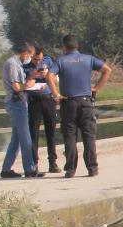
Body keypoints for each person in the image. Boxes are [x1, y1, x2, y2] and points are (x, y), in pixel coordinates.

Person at [46, 34, 111, 177]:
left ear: (64, 47)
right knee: (89, 136)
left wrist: (56, 94)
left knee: (70, 136)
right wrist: (97, 88)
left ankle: (70, 169)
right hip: (86, 102)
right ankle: (92, 168)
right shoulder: (88, 59)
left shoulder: (61, 61)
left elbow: (49, 76)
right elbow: (107, 70)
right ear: (77, 46)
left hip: (68, 103)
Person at [0, 41, 43, 179]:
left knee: (16, 138)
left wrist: (32, 77)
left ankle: (6, 169)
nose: (29, 58)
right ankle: (30, 169)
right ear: (25, 52)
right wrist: (28, 85)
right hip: (17, 103)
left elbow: (21, 83)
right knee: (26, 138)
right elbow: (16, 87)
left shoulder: (17, 64)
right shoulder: (12, 64)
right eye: (30, 55)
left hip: (19, 102)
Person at [23, 46, 59, 173]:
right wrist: (31, 75)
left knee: (51, 132)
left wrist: (48, 75)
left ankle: (53, 162)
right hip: (34, 101)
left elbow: (56, 78)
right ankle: (34, 163)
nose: (38, 62)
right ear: (31, 56)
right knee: (34, 133)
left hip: (48, 99)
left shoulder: (49, 61)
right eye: (35, 59)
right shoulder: (25, 65)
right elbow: (22, 84)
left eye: (40, 59)